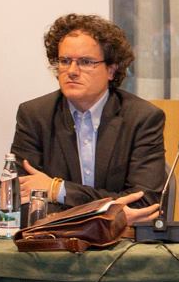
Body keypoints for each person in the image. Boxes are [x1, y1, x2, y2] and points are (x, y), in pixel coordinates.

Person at [11, 13, 166, 209]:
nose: (72, 71)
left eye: (85, 62)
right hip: (59, 230)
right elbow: (23, 198)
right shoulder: (34, 116)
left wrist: (58, 190)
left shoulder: (142, 118)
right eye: (65, 61)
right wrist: (111, 211)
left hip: (121, 231)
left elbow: (144, 200)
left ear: (111, 70)